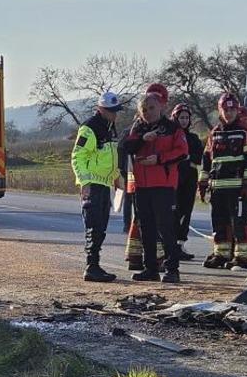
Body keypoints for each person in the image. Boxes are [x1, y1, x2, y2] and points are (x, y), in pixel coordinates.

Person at [120, 92, 189, 283]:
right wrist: (143, 138)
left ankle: (172, 269)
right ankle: (150, 268)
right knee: (146, 228)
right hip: (142, 186)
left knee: (166, 228)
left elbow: (182, 152)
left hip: (163, 185)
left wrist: (159, 159)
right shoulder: (138, 127)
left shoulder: (172, 128)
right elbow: (126, 147)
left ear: (161, 107)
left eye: (151, 108)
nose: (148, 112)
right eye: (144, 109)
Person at [200, 92, 247, 270]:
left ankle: (242, 258)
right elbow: (207, 159)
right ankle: (221, 255)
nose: (229, 113)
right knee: (219, 223)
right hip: (217, 188)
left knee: (240, 222)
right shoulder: (215, 132)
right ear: (220, 110)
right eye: (226, 109)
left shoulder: (245, 131)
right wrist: (203, 182)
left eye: (232, 109)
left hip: (237, 188)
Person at [71, 91, 124, 282]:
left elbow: (109, 158)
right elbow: (77, 157)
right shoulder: (89, 128)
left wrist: (116, 177)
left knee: (101, 227)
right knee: (94, 227)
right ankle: (91, 267)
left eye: (116, 110)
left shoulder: (110, 127)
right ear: (100, 109)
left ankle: (95, 265)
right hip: (93, 185)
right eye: (111, 111)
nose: (114, 114)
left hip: (104, 184)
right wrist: (84, 182)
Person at [171, 103, 203, 261]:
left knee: (186, 211)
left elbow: (199, 157)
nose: (184, 120)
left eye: (186, 118)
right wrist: (184, 157)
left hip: (189, 179)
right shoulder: (170, 136)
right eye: (181, 117)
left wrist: (186, 157)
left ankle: (180, 245)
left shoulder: (194, 138)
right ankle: (169, 245)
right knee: (173, 212)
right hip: (174, 178)